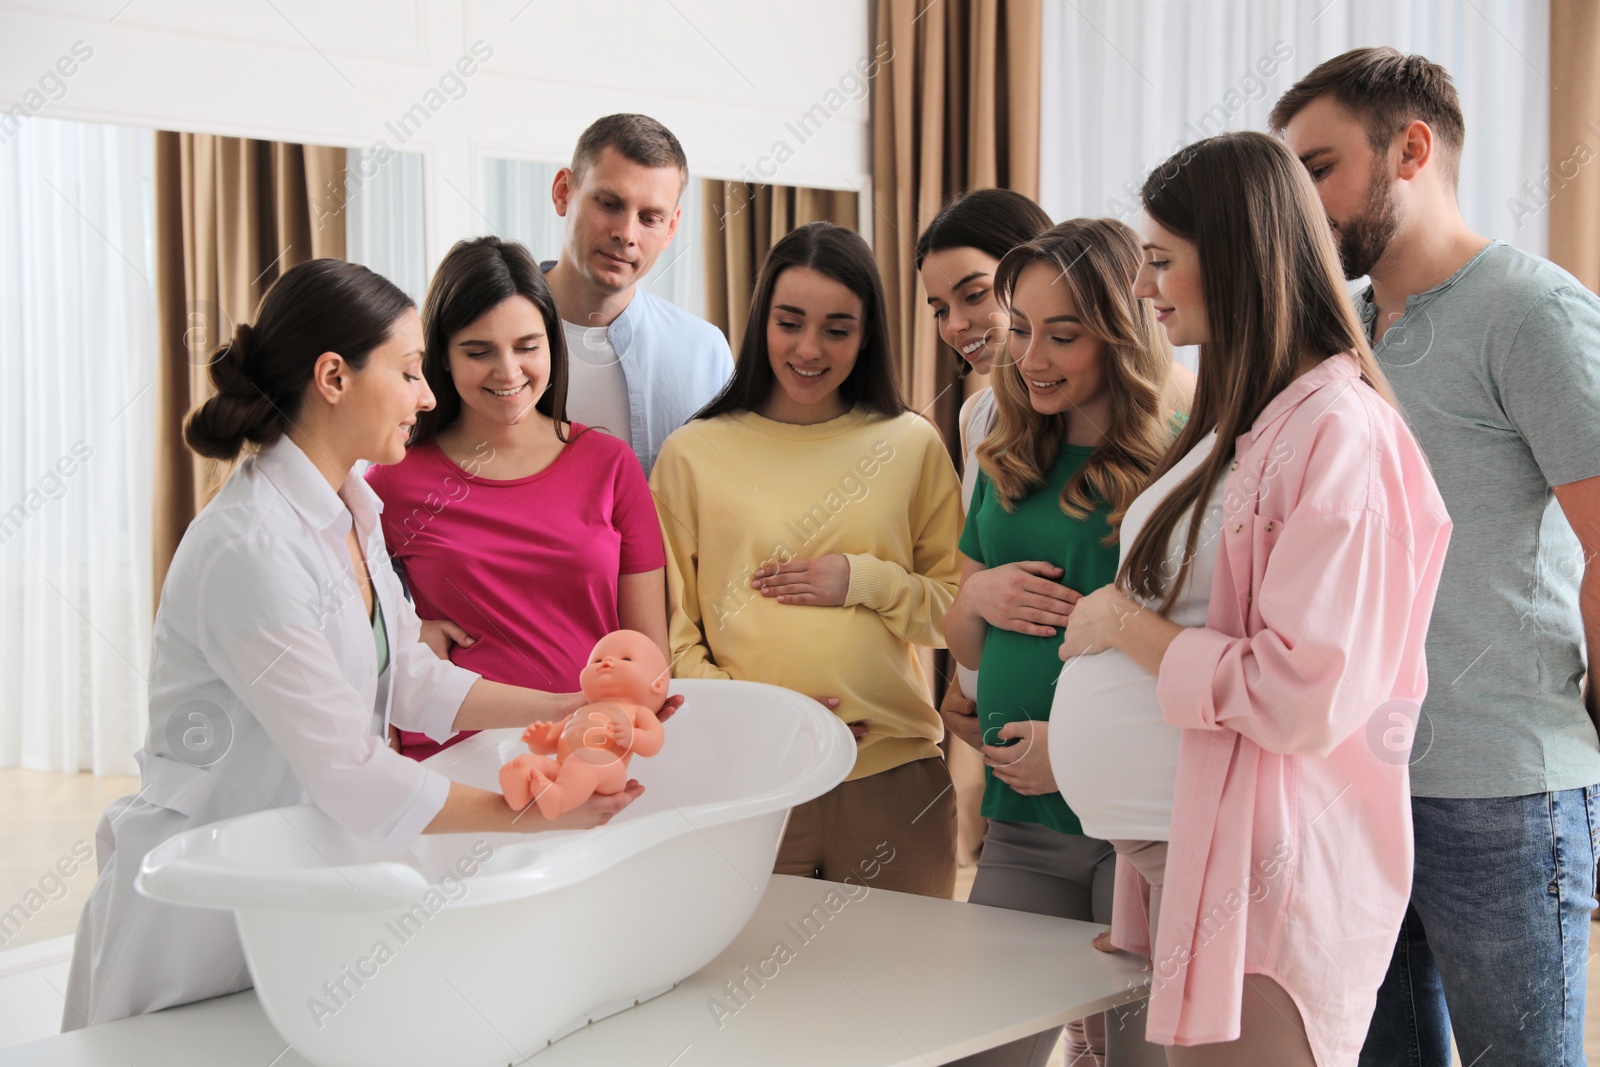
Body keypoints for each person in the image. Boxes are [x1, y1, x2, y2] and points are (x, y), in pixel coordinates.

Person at [62, 259, 672, 1030]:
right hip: (204, 906)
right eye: (413, 370)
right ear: (333, 377)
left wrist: (569, 702)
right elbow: (350, 772)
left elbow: (412, 676)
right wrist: (534, 817)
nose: (426, 395)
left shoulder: (353, 506)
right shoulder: (249, 548)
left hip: (300, 884)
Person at [1051, 131, 1450, 1065]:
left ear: (1232, 257)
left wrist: (1119, 621)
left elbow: (1299, 691)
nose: (1143, 287)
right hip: (1186, 861)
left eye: (1159, 261)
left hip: (1270, 882)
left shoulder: (1340, 434)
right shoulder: (1245, 417)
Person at [1270, 47, 1600, 1067]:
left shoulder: (1532, 312)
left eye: (1317, 170)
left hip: (1504, 787)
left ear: (1409, 148)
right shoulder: (1345, 332)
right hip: (1357, 785)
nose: (1302, 207)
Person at [651, 221, 963, 897]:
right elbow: (670, 630)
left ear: (868, 334)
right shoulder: (693, 453)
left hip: (891, 773)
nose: (809, 348)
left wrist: (863, 579)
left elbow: (957, 614)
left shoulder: (911, 443)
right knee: (751, 998)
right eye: (790, 322)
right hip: (749, 776)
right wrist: (767, 718)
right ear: (762, 318)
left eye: (837, 328)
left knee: (908, 996)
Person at [943, 218, 1180, 1067]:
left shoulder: (1180, 459)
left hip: (1138, 831)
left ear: (1122, 331)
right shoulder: (1009, 447)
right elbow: (958, 628)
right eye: (1020, 330)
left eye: (1063, 335)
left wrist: (1074, 752)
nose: (1032, 356)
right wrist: (978, 592)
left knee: (1135, 1059)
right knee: (978, 1051)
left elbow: (1195, 655)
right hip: (1020, 826)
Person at [366, 237, 667, 761]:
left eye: (527, 346)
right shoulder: (394, 481)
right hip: (453, 764)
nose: (508, 371)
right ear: (443, 355)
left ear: (552, 344)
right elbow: (335, 625)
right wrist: (406, 632)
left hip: (588, 755)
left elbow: (650, 655)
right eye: (479, 351)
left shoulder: (611, 467)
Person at [915, 188, 1054, 870]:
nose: (955, 324)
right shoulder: (979, 418)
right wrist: (966, 686)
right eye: (940, 308)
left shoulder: (1125, 416)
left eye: (974, 295)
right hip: (1008, 761)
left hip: (1084, 758)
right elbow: (974, 577)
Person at [543, 113, 733, 475]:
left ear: (672, 227)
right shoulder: (482, 335)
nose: (627, 234)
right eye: (610, 204)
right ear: (563, 193)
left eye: (649, 218)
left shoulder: (705, 354)